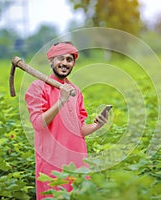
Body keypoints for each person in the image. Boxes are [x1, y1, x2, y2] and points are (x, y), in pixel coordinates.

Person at [25, 41, 108, 199]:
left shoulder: (75, 91)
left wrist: (98, 124)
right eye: (60, 58)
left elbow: (80, 130)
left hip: (77, 162)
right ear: (51, 61)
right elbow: (38, 124)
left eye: (69, 59)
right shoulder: (37, 87)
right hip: (52, 163)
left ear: (73, 63)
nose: (64, 63)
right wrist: (61, 101)